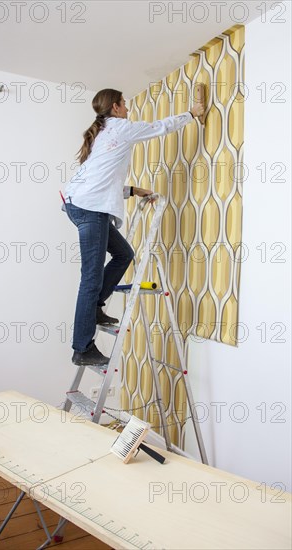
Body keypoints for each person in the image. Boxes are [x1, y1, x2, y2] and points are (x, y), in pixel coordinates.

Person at [64, 89, 204, 367]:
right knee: (90, 278)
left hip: (82, 204)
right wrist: (191, 114)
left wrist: (131, 190)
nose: (128, 108)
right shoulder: (121, 128)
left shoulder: (104, 132)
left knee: (124, 254)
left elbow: (101, 178)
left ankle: (95, 309)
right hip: (90, 209)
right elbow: (159, 127)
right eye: (125, 104)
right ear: (115, 107)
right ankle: (82, 347)